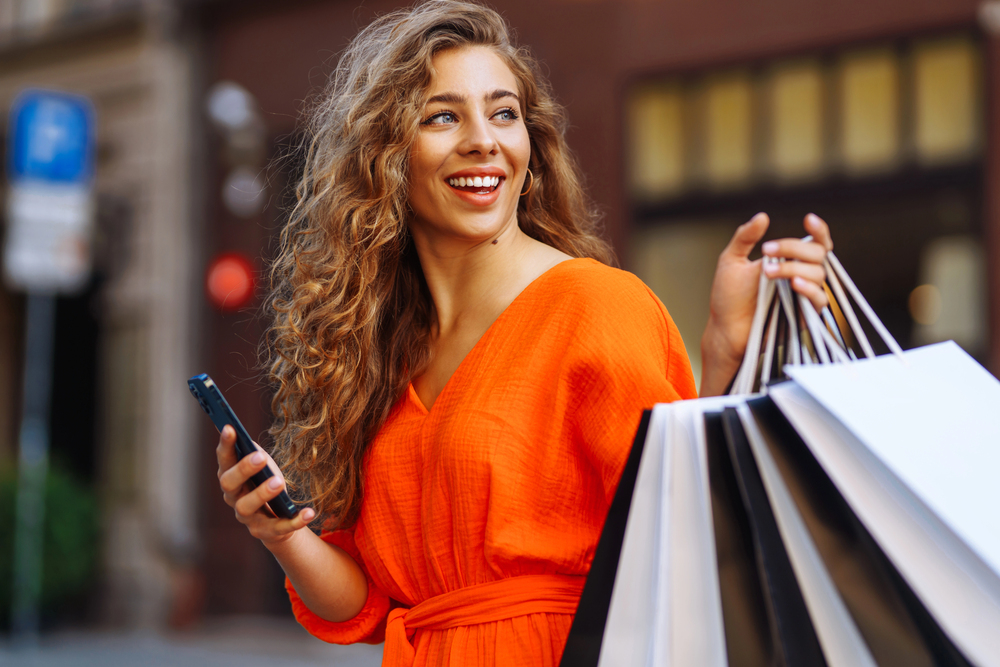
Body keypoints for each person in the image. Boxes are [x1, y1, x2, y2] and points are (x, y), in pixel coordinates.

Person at [215, 2, 833, 665]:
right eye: (443, 115)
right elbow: (368, 604)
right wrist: (278, 529)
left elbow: (689, 527)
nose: (484, 139)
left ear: (530, 147)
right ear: (385, 156)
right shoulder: (379, 349)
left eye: (504, 112)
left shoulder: (595, 305)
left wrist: (721, 360)